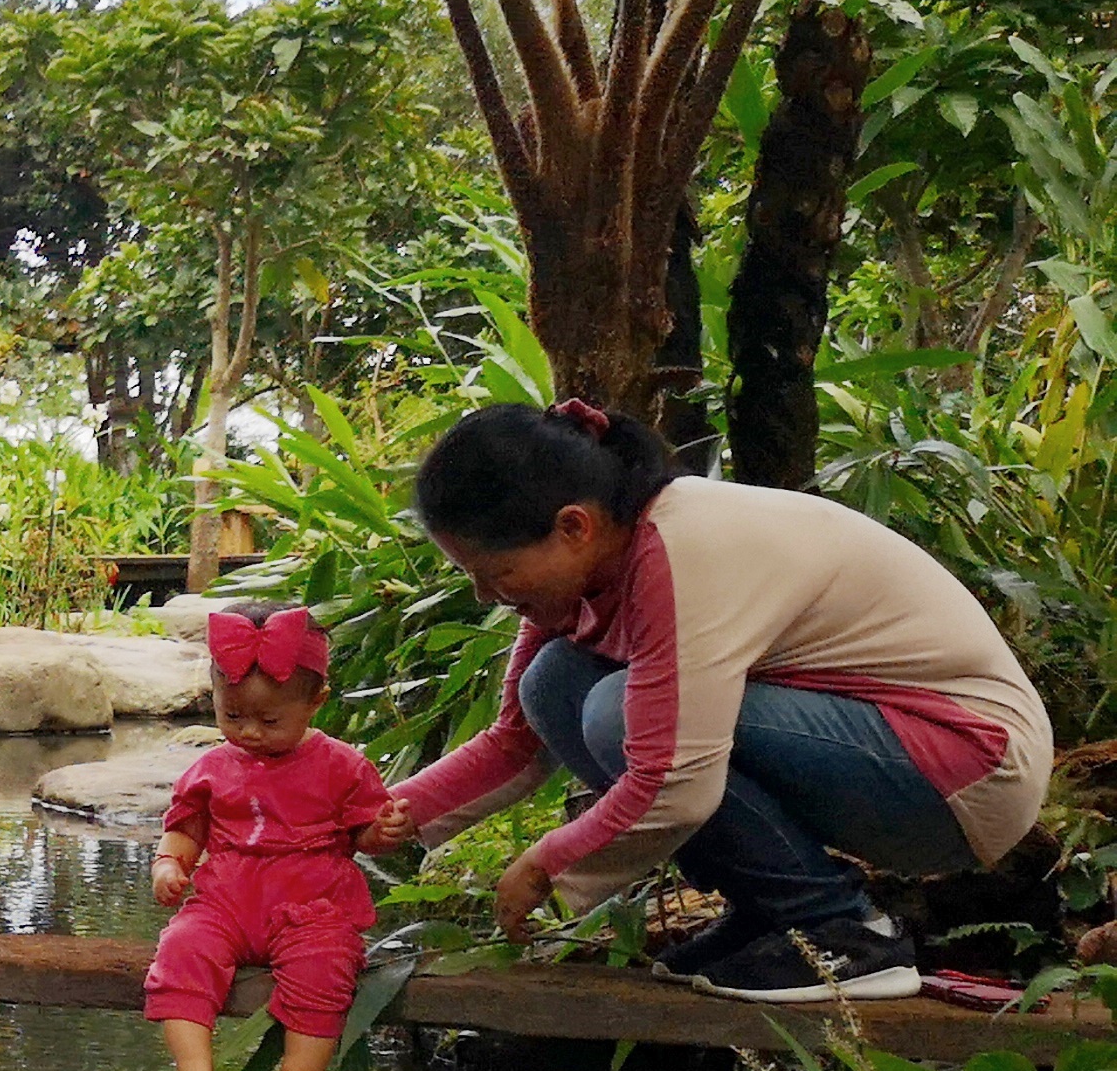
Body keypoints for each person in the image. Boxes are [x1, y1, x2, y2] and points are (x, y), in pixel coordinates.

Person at [382, 399, 1054, 1003]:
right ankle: (775, 913)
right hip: (871, 750)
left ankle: (843, 934)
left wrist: (549, 864)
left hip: (969, 768)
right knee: (554, 683)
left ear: (574, 527)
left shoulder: (684, 549)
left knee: (620, 712)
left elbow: (672, 777)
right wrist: (370, 818)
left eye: (494, 573)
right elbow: (515, 741)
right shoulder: (588, 574)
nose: (483, 595)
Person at [148, 603, 393, 1071]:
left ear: (316, 704)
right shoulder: (210, 768)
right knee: (180, 950)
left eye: (269, 720)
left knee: (325, 970)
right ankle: (194, 1069)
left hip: (313, 905)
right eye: (232, 716)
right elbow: (187, 829)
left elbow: (365, 835)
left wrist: (382, 831)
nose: (250, 732)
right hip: (226, 897)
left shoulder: (343, 766)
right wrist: (170, 864)